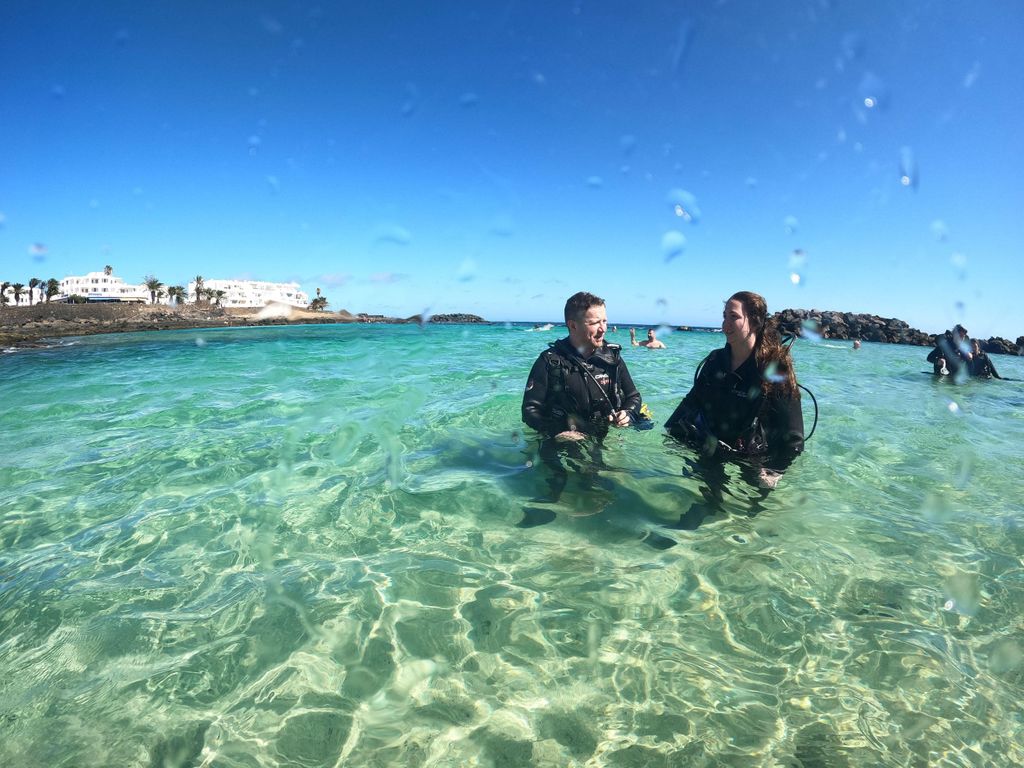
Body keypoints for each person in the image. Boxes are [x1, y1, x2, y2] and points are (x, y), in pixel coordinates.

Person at [520, 292, 643, 526]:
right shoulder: (550, 361)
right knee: (556, 482)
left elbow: (633, 396)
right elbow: (529, 410)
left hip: (600, 432)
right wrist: (557, 431)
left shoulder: (613, 358)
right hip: (561, 436)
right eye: (595, 322)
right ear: (573, 325)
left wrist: (627, 413)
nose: (603, 328)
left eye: (604, 321)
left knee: (602, 483)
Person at [665, 291, 804, 494]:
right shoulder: (715, 361)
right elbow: (692, 402)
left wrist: (775, 471)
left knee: (749, 517)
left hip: (755, 460)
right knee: (705, 507)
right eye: (724, 316)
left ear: (755, 322)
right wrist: (670, 432)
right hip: (712, 448)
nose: (725, 324)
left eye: (734, 317)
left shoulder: (775, 368)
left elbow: (794, 437)